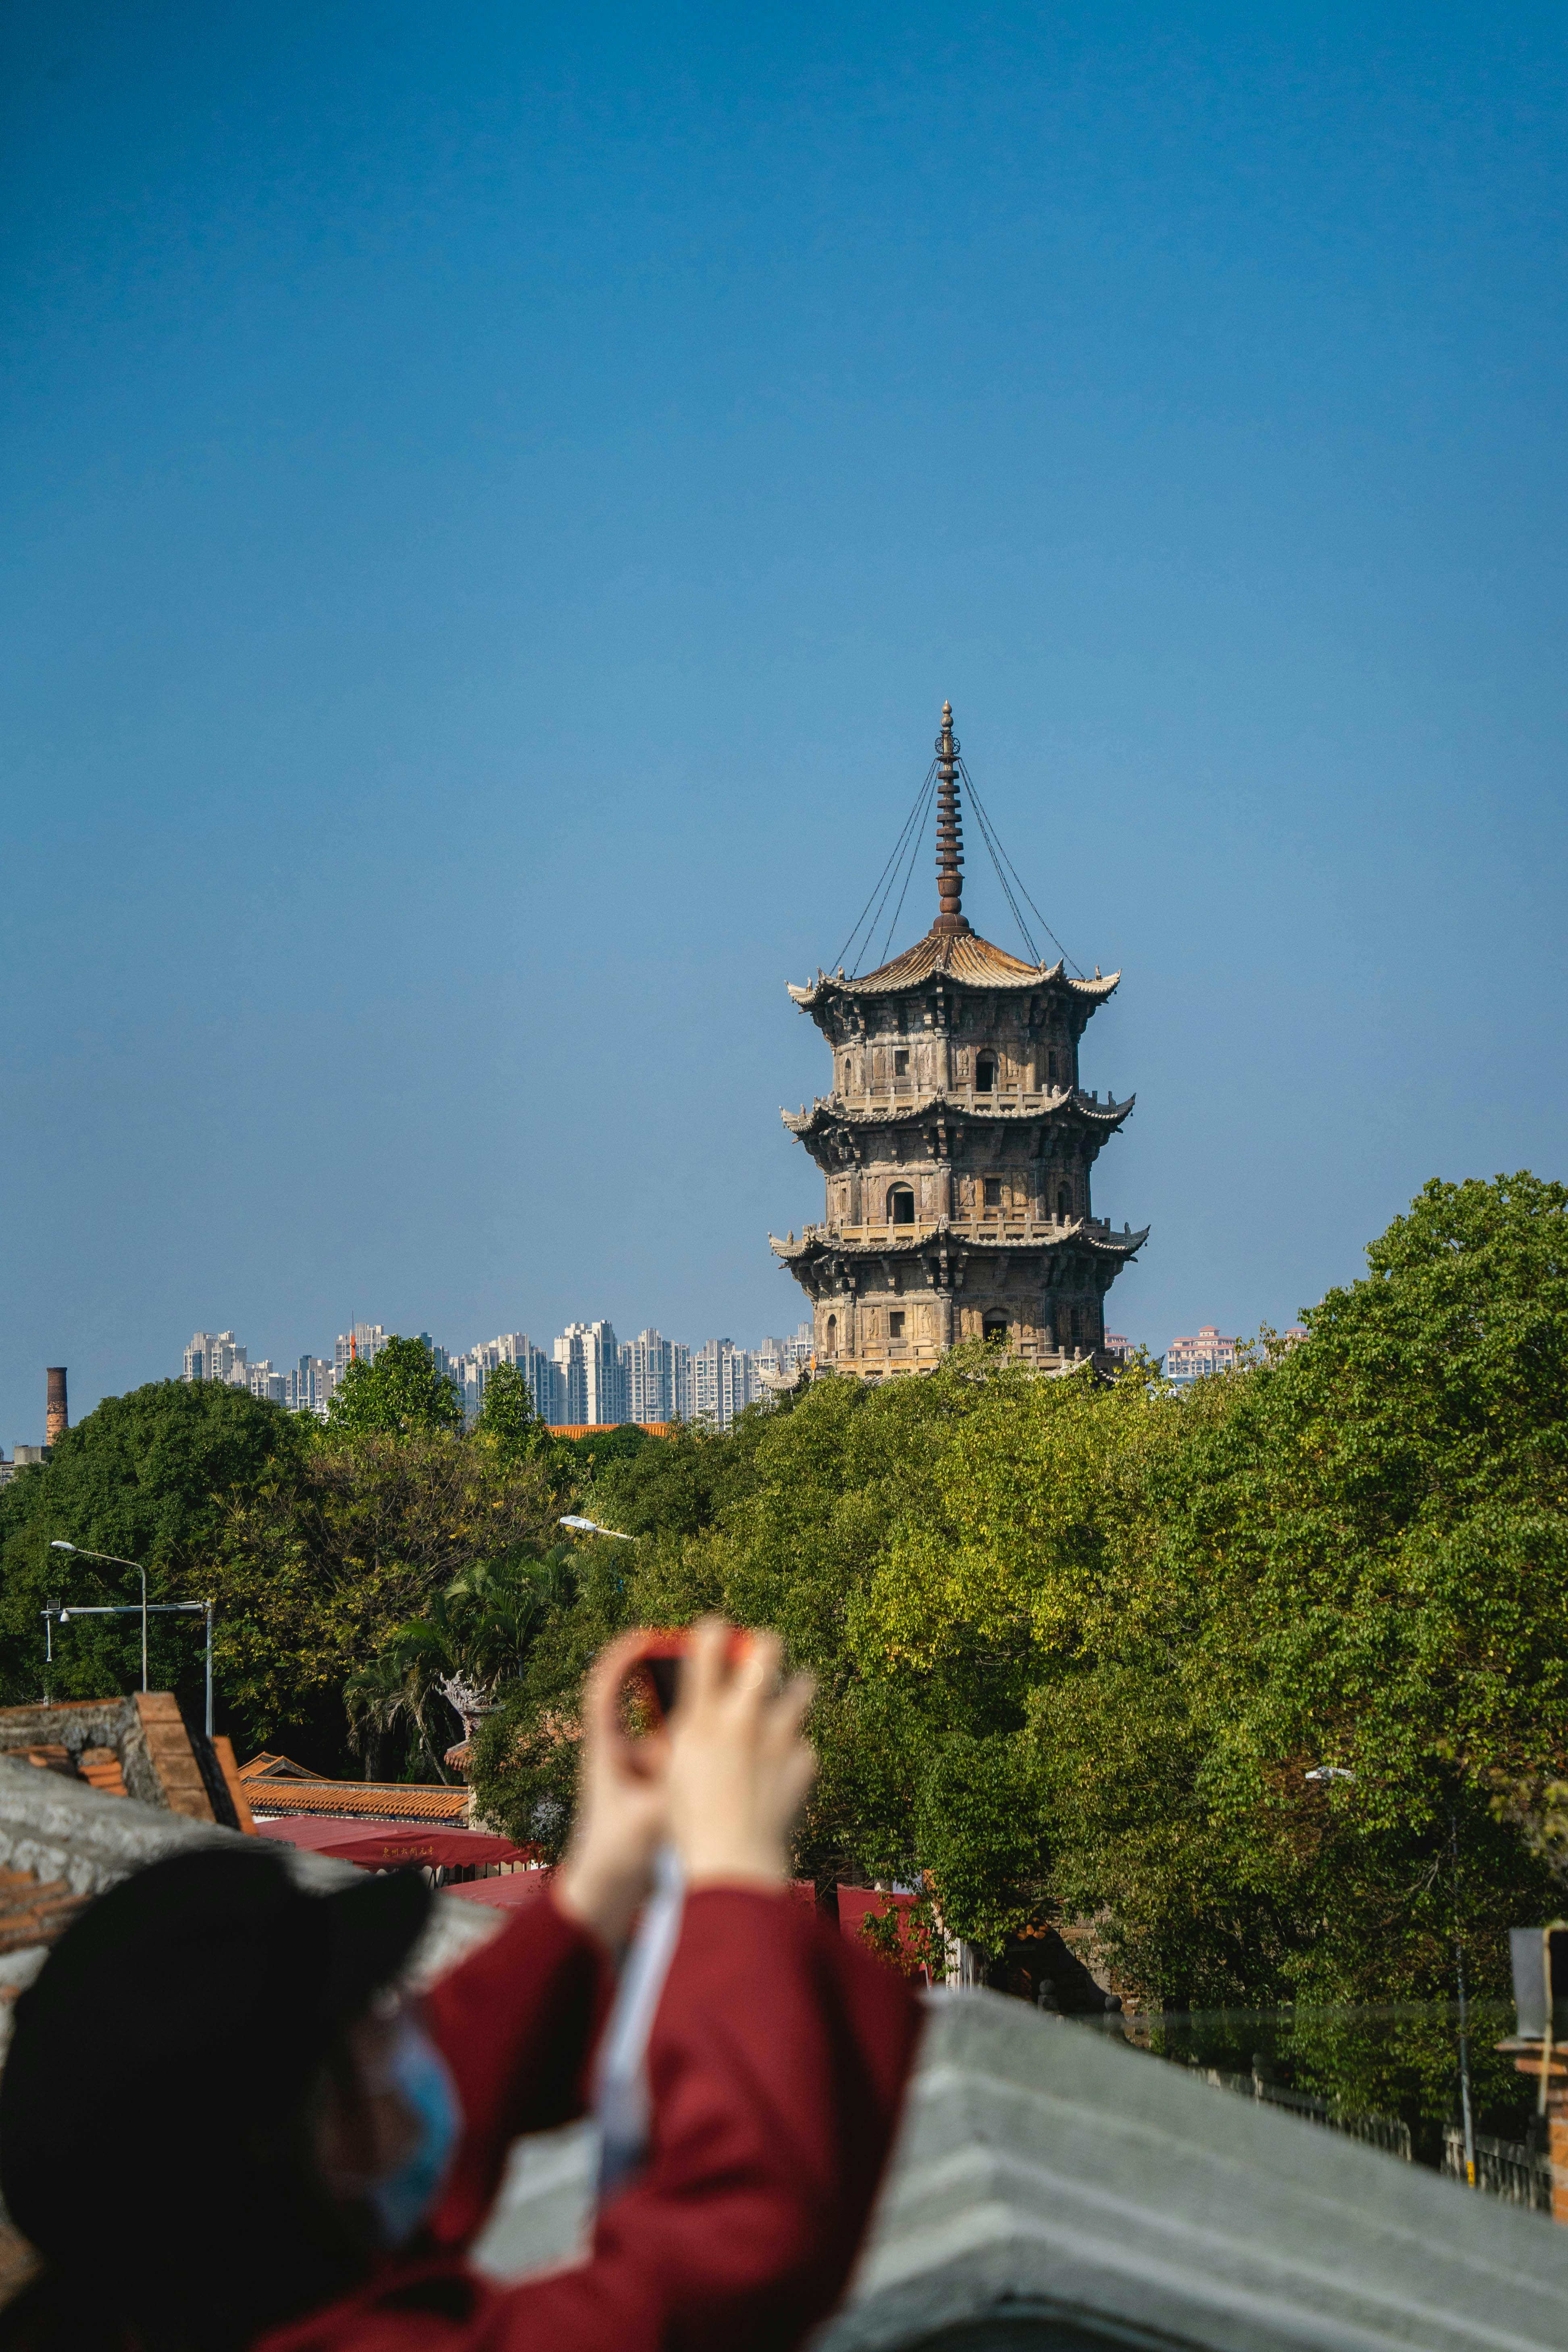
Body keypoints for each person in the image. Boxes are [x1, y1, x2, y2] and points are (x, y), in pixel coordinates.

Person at [0, 1622, 922, 2352]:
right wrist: (735, 1873)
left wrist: (598, 1877)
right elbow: (738, 2247)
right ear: (318, 2139)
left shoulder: (208, 2283)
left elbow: (460, 2049)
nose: (413, 2010)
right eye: (372, 2017)